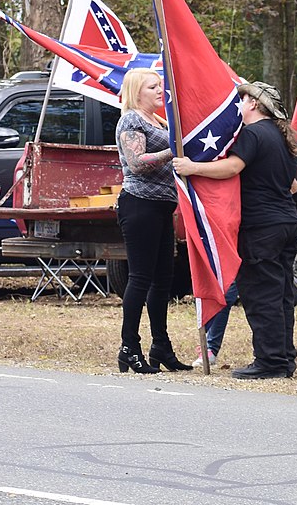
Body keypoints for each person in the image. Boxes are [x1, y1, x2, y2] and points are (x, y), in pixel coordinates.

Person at [174, 81, 297, 380]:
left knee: (261, 295)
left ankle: (270, 361)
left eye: (242, 99)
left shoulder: (253, 133)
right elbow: (295, 186)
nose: (239, 105)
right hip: (287, 223)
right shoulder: (286, 139)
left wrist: (193, 167)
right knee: (282, 295)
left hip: (261, 227)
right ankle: (284, 358)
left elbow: (232, 167)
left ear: (254, 104)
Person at [114, 68, 189, 374]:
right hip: (139, 204)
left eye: (160, 85)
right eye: (153, 86)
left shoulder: (157, 120)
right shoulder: (131, 119)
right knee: (141, 277)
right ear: (137, 92)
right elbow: (135, 163)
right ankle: (128, 347)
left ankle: (161, 345)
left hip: (161, 205)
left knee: (163, 280)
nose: (160, 91)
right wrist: (174, 153)